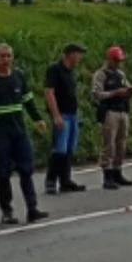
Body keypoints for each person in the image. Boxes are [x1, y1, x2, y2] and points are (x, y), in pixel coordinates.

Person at [0, 43, 50, 224]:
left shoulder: (19, 77)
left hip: (19, 131)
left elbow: (28, 101)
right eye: (2, 56)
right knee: (3, 172)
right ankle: (7, 211)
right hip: (0, 133)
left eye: (9, 56)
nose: (6, 60)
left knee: (26, 170)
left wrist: (38, 119)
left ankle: (32, 208)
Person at [44, 42, 87, 195]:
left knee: (69, 149)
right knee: (59, 149)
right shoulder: (55, 70)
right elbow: (49, 92)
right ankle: (51, 180)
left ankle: (65, 180)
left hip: (72, 113)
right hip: (62, 114)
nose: (80, 57)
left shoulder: (70, 72)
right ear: (70, 54)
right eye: (78, 53)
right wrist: (55, 115)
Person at [91, 45, 132, 190]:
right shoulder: (101, 74)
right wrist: (114, 93)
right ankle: (107, 174)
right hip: (109, 111)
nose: (118, 64)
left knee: (121, 144)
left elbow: (126, 87)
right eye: (116, 61)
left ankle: (118, 171)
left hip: (122, 110)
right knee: (108, 144)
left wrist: (130, 91)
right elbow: (97, 94)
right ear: (109, 59)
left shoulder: (121, 75)